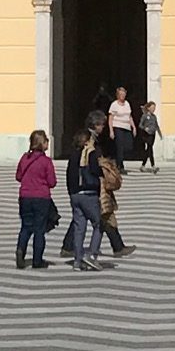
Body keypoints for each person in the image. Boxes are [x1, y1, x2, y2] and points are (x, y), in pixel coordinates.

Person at [66, 114, 107, 270]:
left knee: (79, 227)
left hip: (75, 194)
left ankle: (77, 261)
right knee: (99, 224)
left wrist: (71, 192)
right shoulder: (90, 152)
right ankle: (91, 254)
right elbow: (95, 170)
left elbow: (69, 173)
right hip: (88, 193)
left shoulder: (74, 153)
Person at [15, 130, 57, 270]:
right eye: (46, 141)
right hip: (41, 197)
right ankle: (37, 260)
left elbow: (19, 177)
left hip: (25, 196)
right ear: (42, 143)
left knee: (26, 227)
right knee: (39, 229)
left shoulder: (24, 158)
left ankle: (21, 249)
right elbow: (52, 182)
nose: (48, 144)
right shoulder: (46, 161)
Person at [107, 87, 136, 171]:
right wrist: (111, 131)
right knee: (119, 146)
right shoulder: (114, 104)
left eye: (124, 94)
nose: (122, 96)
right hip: (117, 126)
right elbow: (110, 118)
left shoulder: (127, 104)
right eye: (121, 94)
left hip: (127, 127)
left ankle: (118, 160)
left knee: (128, 146)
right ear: (117, 95)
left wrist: (133, 127)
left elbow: (129, 116)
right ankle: (120, 165)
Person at [135, 100, 162, 172]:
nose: (154, 109)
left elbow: (156, 125)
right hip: (146, 135)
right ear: (148, 108)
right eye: (152, 107)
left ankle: (143, 165)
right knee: (150, 149)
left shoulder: (154, 117)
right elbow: (140, 125)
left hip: (153, 134)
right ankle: (153, 166)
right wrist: (145, 128)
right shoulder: (145, 116)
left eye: (154, 108)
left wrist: (160, 133)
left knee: (149, 150)